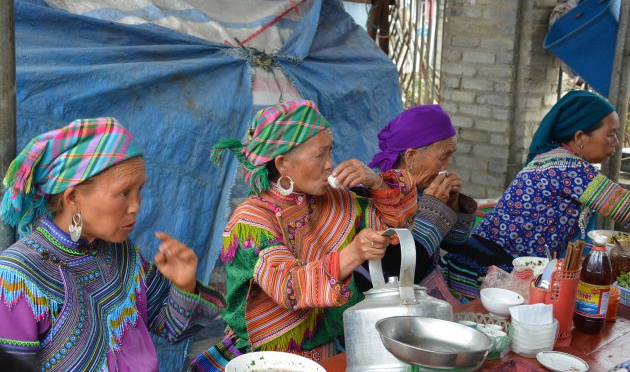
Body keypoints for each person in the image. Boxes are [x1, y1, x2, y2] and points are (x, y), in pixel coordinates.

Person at [189, 100, 417, 371]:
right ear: (283, 164)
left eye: (330, 151)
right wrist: (354, 253)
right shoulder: (251, 220)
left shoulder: (335, 201)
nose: (330, 164)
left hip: (327, 351)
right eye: (320, 155)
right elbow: (289, 288)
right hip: (265, 359)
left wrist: (375, 182)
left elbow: (394, 224)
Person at [0, 118, 225, 372]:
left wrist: (185, 285)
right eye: (123, 193)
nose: (136, 206)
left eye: (139, 190)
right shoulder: (17, 279)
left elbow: (171, 327)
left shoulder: (123, 254)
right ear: (73, 197)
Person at [442, 89, 630, 299]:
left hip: (490, 269)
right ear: (580, 137)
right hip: (491, 275)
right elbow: (626, 209)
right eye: (610, 134)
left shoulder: (551, 160)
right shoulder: (567, 167)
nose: (616, 142)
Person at [358, 104, 477, 305]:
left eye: (450, 155)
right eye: (443, 157)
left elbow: (455, 242)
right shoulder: (369, 195)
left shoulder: (421, 188)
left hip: (426, 289)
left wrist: (453, 204)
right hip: (388, 301)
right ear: (411, 156)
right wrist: (435, 207)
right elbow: (401, 270)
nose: (447, 165)